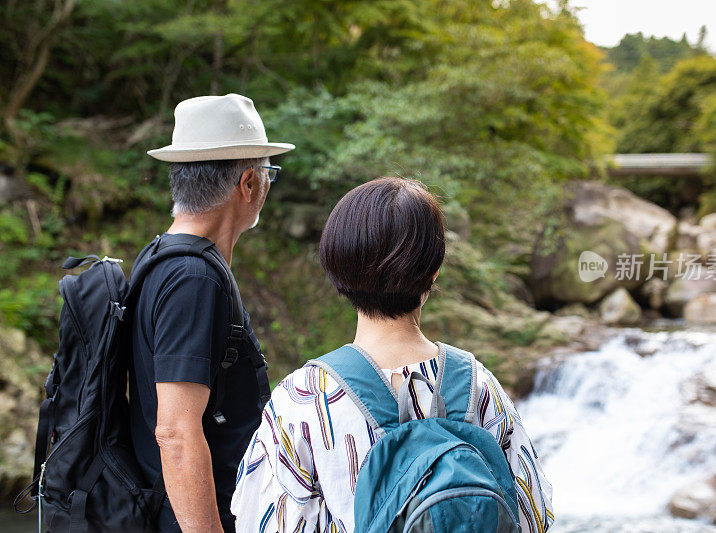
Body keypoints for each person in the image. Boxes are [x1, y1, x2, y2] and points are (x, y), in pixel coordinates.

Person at [232, 177, 554, 532]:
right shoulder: (479, 385)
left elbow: (262, 522)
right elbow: (533, 514)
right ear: (434, 272)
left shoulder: (302, 398)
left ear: (337, 268)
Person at [131, 93, 294, 532]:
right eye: (268, 175)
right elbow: (176, 433)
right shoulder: (192, 279)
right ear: (247, 184)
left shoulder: (162, 257)